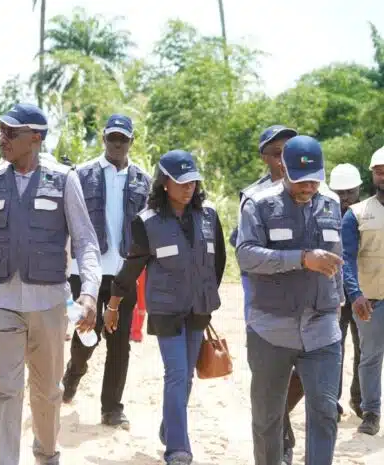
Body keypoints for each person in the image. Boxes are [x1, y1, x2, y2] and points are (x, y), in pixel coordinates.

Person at [0, 103, 102, 465]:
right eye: (1, 131)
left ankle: (46, 455)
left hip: (50, 303)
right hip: (0, 301)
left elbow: (86, 241)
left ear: (36, 138)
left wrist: (89, 293)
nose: (2, 138)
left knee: (46, 392)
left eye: (12, 132)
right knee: (4, 391)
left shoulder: (64, 179)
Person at [108, 150, 225, 465]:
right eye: (181, 182)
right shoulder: (146, 223)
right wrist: (114, 304)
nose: (188, 188)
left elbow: (218, 263)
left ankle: (169, 427)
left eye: (192, 182)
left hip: (199, 308)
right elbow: (132, 268)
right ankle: (178, 449)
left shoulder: (210, 216)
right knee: (176, 373)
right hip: (167, 310)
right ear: (164, 184)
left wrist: (207, 295)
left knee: (186, 376)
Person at [237, 135, 344, 465]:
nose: (309, 187)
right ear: (284, 168)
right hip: (271, 329)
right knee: (268, 418)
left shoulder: (331, 204)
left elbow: (337, 258)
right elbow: (246, 256)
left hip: (322, 328)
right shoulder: (258, 204)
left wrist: (339, 298)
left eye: (315, 180)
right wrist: (301, 258)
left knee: (325, 411)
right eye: (301, 180)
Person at [62, 114, 152, 429]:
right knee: (87, 334)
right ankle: (74, 373)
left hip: (123, 272)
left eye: (122, 139)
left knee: (119, 341)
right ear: (103, 138)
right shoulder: (80, 174)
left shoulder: (143, 179)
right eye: (112, 137)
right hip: (85, 271)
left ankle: (111, 408)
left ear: (131, 141)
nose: (117, 143)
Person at [230, 125, 306, 463]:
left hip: (310, 306)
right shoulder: (252, 197)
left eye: (288, 152)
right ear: (265, 158)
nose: (284, 160)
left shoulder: (314, 188)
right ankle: (280, 444)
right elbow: (244, 253)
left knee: (304, 377)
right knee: (269, 380)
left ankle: (280, 425)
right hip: (267, 308)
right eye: (277, 154)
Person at [342, 147, 384, 436]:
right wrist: (355, 294)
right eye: (379, 170)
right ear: (372, 174)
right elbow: (346, 258)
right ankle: (371, 413)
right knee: (370, 356)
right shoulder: (357, 214)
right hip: (370, 298)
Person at [328, 163, 364, 420]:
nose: (344, 198)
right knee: (334, 349)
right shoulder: (324, 214)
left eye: (349, 192)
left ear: (359, 189)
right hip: (333, 294)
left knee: (364, 348)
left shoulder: (368, 215)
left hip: (364, 293)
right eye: (339, 192)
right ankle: (333, 402)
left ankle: (359, 399)